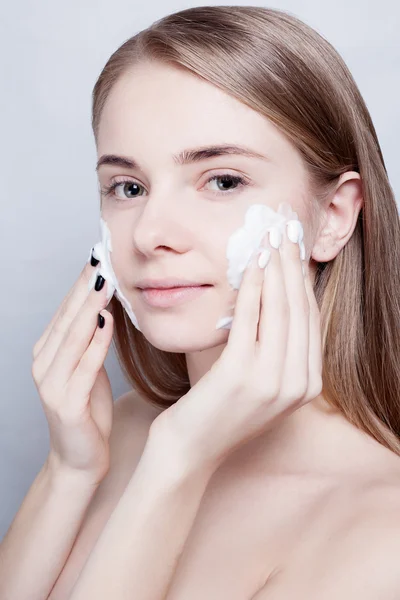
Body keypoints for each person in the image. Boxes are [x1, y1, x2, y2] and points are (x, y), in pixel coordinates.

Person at [2, 5, 400, 599]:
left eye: (222, 180)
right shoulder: (113, 433)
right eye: (128, 187)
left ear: (334, 217)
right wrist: (70, 470)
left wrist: (176, 464)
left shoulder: (381, 531)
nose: (148, 233)